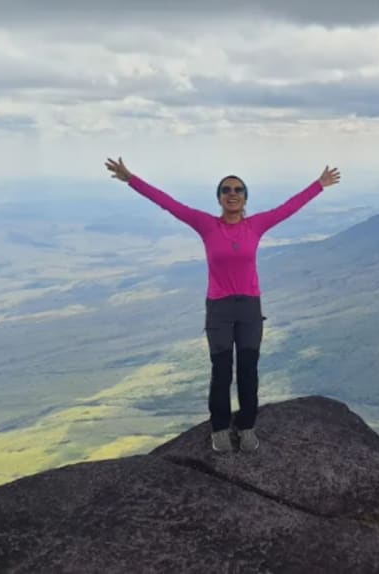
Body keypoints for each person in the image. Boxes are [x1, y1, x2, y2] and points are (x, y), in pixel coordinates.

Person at [104, 157, 341, 452]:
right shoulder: (207, 225)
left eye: (238, 190)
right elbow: (168, 203)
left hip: (250, 308)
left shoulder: (255, 225)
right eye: (226, 189)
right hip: (219, 308)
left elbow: (288, 208)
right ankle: (219, 429)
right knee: (221, 370)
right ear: (219, 197)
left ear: (245, 199)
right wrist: (131, 179)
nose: (232, 194)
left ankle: (246, 427)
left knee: (248, 369)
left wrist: (319, 185)